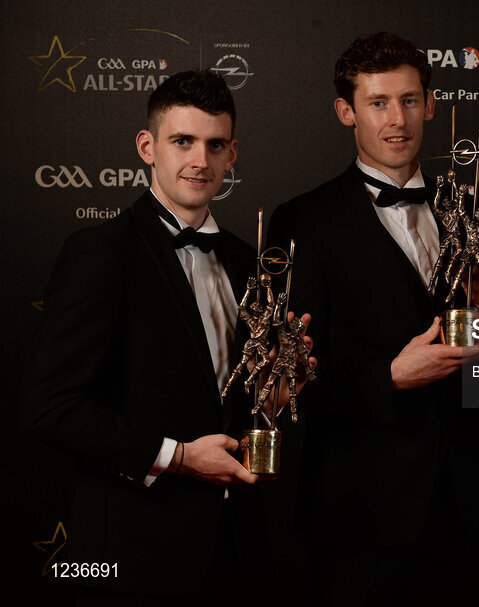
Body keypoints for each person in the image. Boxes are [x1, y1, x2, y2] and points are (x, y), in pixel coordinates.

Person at [26, 70, 314, 604]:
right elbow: (51, 407)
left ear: (232, 154)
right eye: (182, 141)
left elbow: (228, 398)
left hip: (241, 551)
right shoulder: (101, 253)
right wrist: (178, 457)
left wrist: (276, 394)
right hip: (136, 553)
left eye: (214, 144)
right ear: (147, 146)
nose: (199, 161)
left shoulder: (245, 261)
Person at [267, 32, 479, 605]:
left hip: (466, 507)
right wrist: (389, 377)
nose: (398, 120)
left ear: (431, 104)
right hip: (358, 518)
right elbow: (288, 377)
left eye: (410, 100)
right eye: (378, 103)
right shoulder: (304, 222)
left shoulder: (473, 212)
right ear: (346, 112)